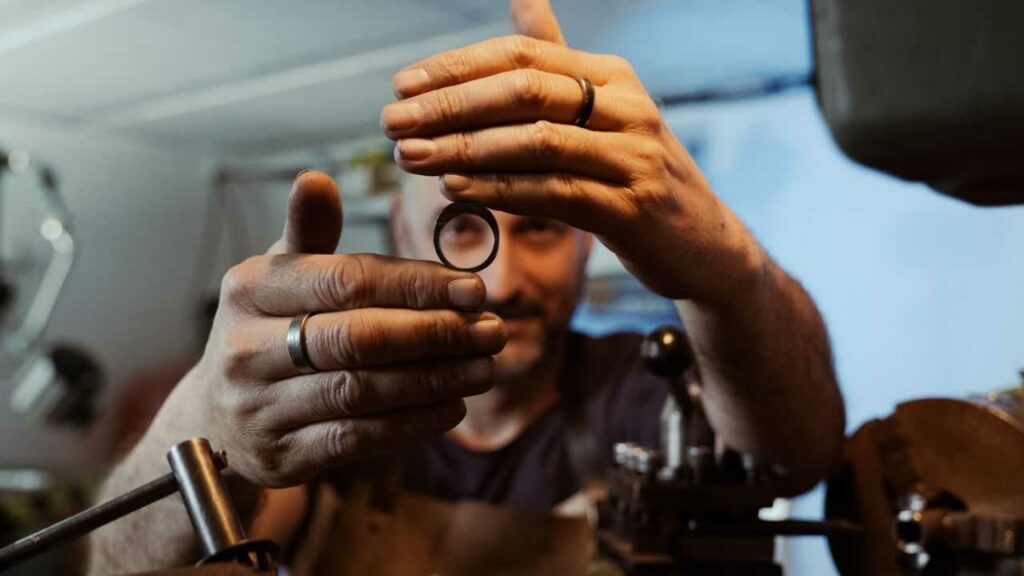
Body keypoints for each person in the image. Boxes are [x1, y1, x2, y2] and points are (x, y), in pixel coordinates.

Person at [87, 1, 845, 573]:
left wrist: (726, 271)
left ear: (589, 237)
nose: (507, 281)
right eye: (463, 227)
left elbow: (799, 453)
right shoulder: (331, 417)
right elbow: (116, 567)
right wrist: (200, 426)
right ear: (406, 232)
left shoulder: (644, 392)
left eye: (543, 226)